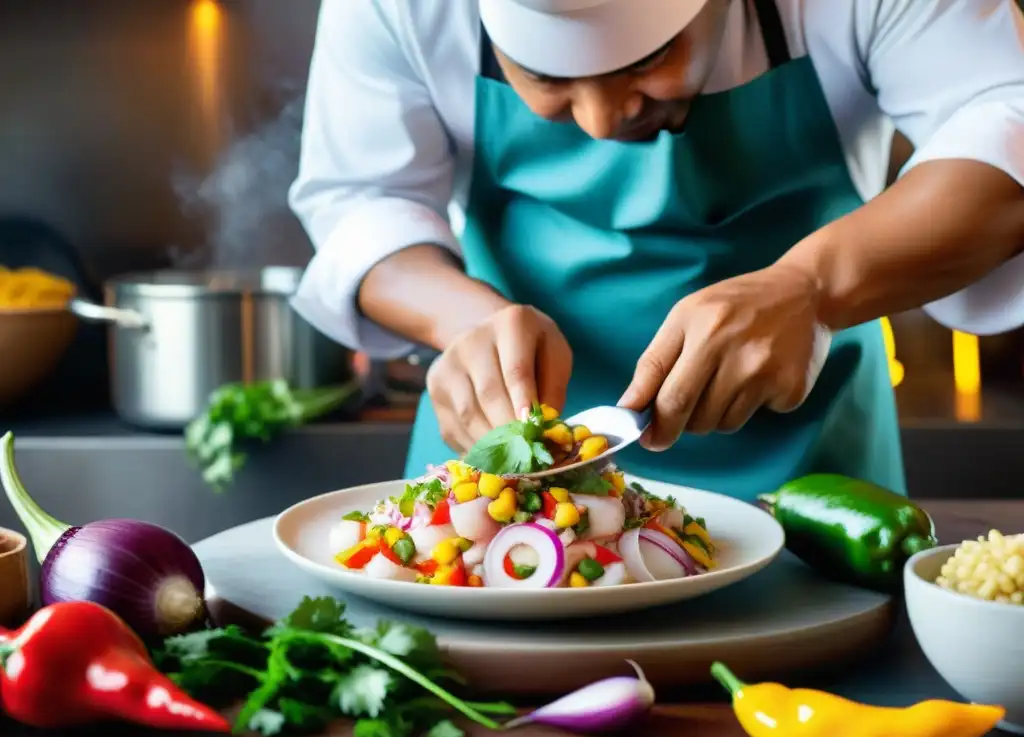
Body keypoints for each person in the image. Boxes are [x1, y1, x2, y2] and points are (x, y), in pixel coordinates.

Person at [288, 0, 1024, 499]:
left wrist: (812, 287)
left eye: (651, 58)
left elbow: (1007, 120)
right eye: (547, 77)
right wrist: (464, 322)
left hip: (814, 485)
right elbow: (362, 202)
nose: (603, 121)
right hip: (513, 495)